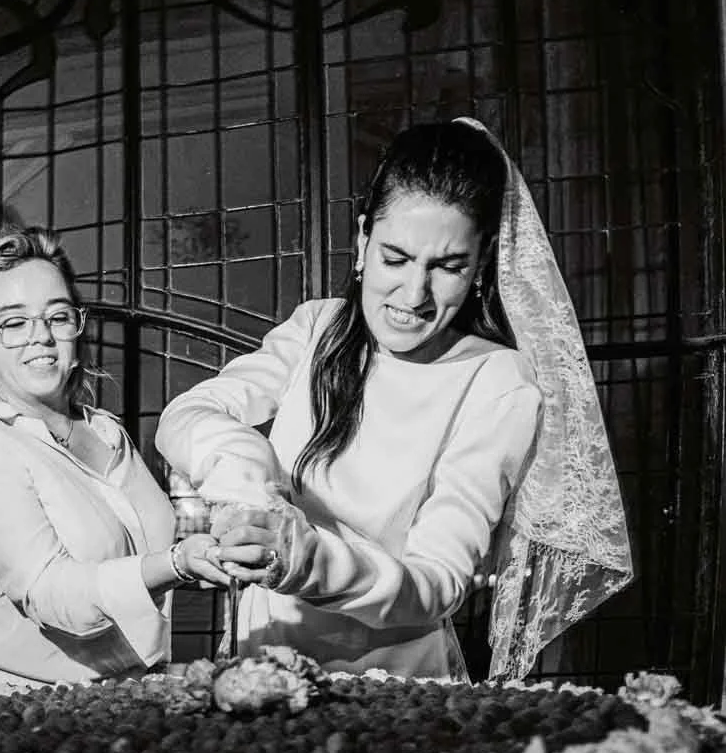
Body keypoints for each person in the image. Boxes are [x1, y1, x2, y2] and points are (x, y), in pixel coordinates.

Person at [156, 119, 632, 681]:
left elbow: (439, 581)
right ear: (363, 242)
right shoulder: (317, 329)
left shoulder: (498, 380)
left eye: (448, 267)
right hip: (264, 659)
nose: (414, 295)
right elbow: (186, 416)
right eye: (396, 258)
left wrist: (307, 558)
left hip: (396, 681)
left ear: (481, 265)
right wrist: (247, 487)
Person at [0, 227, 244, 695]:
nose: (41, 337)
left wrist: (220, 546)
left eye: (57, 317)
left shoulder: (105, 431)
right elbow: (53, 595)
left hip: (126, 700)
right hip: (13, 709)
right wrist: (178, 562)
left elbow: (142, 554)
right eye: (13, 323)